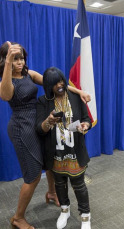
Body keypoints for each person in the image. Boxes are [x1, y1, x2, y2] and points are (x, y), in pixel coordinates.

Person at [0, 41, 90, 229]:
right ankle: (18, 218)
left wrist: (79, 91)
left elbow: (54, 84)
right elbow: (7, 96)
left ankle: (51, 193)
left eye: (21, 58)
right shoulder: (5, 80)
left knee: (50, 161)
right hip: (22, 128)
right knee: (32, 176)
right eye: (15, 59)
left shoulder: (29, 74)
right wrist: (8, 63)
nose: (20, 62)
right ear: (6, 60)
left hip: (39, 123)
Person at [36, 67, 92, 229]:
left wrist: (85, 125)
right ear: (48, 85)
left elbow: (86, 119)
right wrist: (48, 122)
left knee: (79, 185)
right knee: (59, 184)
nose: (60, 85)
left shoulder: (76, 96)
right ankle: (64, 210)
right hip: (55, 152)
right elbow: (39, 129)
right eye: (55, 83)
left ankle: (85, 217)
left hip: (75, 151)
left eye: (61, 81)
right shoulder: (43, 102)